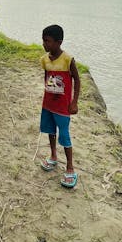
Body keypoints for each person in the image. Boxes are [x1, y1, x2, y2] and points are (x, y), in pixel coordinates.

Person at [39, 24, 81, 188]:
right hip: (48, 104)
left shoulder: (68, 60)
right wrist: (49, 92)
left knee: (64, 135)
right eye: (43, 40)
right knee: (50, 131)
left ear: (59, 42)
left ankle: (70, 167)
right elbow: (47, 76)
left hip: (63, 107)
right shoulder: (44, 60)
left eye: (47, 41)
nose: (44, 44)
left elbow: (77, 80)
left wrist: (74, 102)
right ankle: (53, 156)